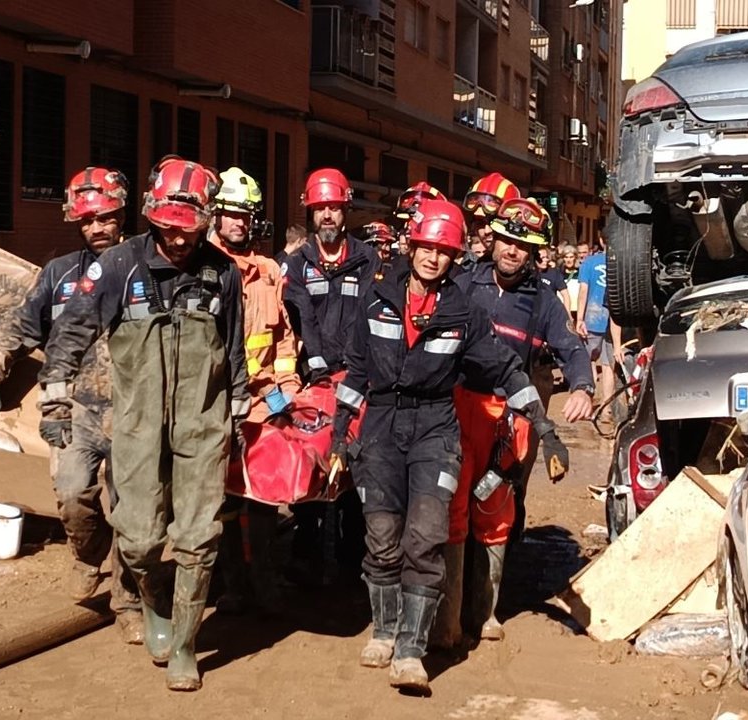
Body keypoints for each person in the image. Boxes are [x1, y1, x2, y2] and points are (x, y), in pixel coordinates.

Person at [330, 195, 556, 694]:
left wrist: (544, 427)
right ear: (412, 246)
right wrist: (340, 429)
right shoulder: (377, 299)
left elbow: (503, 367)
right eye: (428, 247)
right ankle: (384, 631)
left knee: (426, 536)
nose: (434, 258)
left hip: (436, 428)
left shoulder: (463, 311)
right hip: (382, 428)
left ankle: (411, 650)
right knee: (382, 536)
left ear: (455, 256)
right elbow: (358, 370)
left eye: (445, 251)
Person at [38, 156, 248, 692]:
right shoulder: (116, 267)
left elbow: (235, 350)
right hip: (135, 425)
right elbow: (69, 334)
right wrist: (56, 401)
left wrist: (238, 413)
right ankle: (153, 597)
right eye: (168, 229)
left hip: (202, 424)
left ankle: (184, 644)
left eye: (189, 231)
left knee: (200, 536)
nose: (178, 241)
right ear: (152, 216)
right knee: (137, 535)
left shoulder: (222, 271)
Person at [0, 167, 142, 635]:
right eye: (86, 222)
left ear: (122, 214)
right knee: (72, 496)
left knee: (133, 510)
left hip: (135, 410)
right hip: (75, 408)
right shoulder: (59, 274)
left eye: (104, 219)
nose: (95, 229)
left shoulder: (145, 266)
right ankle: (91, 555)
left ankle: (129, 605)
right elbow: (19, 326)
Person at [437, 198, 592, 648]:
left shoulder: (542, 300)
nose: (512, 250)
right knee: (452, 507)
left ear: (534, 252)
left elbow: (573, 348)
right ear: (494, 239)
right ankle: (446, 621)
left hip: (510, 420)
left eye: (523, 245)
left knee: (496, 512)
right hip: (457, 408)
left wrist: (582, 386)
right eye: (507, 239)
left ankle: (485, 612)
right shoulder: (462, 284)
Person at [208, 167, 301, 616]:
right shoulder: (204, 267)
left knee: (263, 500)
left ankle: (266, 586)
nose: (240, 223)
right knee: (221, 500)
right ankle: (231, 586)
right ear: (215, 216)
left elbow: (282, 337)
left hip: (262, 403)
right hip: (214, 404)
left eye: (247, 215)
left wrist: (287, 386)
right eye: (232, 214)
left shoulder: (268, 272)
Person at [281, 168, 379, 586]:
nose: (327, 216)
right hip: (313, 379)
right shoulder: (297, 264)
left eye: (334, 208)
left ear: (345, 211)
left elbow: (371, 316)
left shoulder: (367, 259)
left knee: (357, 462)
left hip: (358, 377)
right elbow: (300, 318)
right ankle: (304, 545)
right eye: (320, 208)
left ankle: (354, 548)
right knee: (310, 459)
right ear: (310, 211)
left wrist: (359, 367)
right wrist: (316, 364)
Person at [576, 232, 623, 423]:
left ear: (601, 241)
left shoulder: (589, 263)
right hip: (615, 321)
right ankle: (606, 411)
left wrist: (579, 318)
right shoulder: (620, 264)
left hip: (592, 318)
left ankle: (586, 407)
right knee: (608, 367)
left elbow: (583, 291)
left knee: (585, 363)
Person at [462, 173, 520, 268]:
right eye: (480, 223)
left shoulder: (537, 279)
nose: (487, 231)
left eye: (495, 222)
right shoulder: (465, 275)